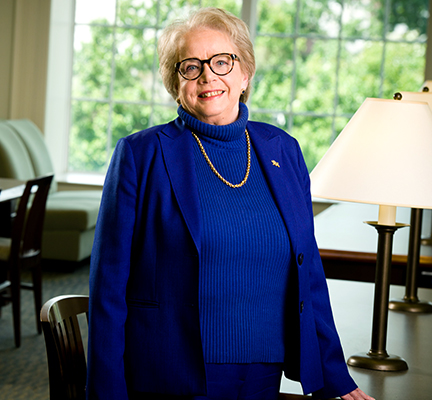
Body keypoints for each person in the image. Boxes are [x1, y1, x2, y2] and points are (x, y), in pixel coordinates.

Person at [86, 7, 374, 400]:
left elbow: (308, 274)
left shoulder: (282, 150)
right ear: (176, 82)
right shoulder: (141, 155)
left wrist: (335, 377)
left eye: (222, 61)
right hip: (171, 372)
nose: (208, 76)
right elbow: (108, 289)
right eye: (191, 66)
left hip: (263, 373)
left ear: (245, 74)